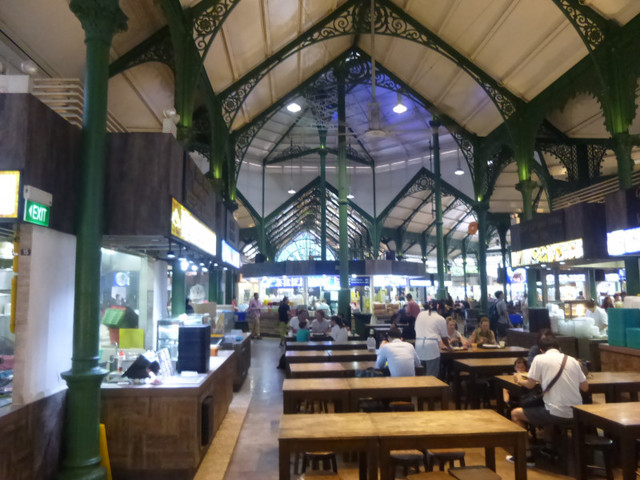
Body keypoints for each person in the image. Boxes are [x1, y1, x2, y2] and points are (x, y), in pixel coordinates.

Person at [508, 335, 588, 466]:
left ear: (541, 350)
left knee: (516, 413)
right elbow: (585, 387)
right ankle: (548, 448)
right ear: (559, 348)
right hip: (577, 414)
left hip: (556, 413)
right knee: (547, 406)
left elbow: (530, 385)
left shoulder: (539, 359)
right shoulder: (572, 360)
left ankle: (525, 456)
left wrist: (519, 378)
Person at [415, 303, 450, 377]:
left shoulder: (420, 314)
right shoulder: (440, 318)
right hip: (431, 348)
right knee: (431, 377)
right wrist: (449, 347)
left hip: (418, 345)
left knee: (421, 375)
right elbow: (444, 338)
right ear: (440, 310)